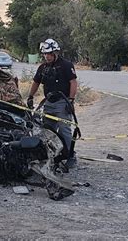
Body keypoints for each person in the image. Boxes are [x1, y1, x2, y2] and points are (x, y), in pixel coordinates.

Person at [27, 38, 78, 168]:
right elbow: (36, 82)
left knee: (64, 130)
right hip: (48, 103)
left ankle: (70, 155)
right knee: (47, 130)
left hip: (63, 102)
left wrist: (71, 100)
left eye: (49, 54)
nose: (47, 57)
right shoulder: (43, 67)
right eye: (45, 54)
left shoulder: (66, 65)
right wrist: (30, 97)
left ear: (55, 53)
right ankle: (51, 154)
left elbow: (73, 82)